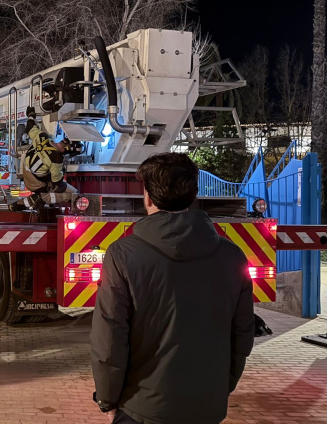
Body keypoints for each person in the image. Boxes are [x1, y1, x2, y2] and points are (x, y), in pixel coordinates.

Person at [90, 153, 255, 424]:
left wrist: (107, 398)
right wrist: (221, 389)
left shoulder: (122, 255)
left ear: (148, 197)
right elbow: (242, 333)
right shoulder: (232, 255)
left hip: (141, 408)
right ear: (194, 193)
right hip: (207, 408)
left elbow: (109, 339)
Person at [10, 106, 78, 212]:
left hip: (26, 174)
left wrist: (31, 115)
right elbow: (57, 183)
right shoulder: (56, 158)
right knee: (71, 194)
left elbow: (30, 127)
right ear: (67, 150)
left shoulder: (42, 137)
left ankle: (27, 202)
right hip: (36, 184)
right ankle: (35, 200)